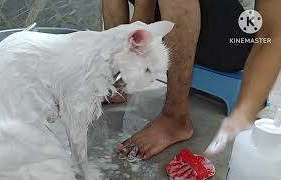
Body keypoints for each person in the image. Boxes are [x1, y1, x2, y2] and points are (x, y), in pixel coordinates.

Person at [102, 0, 281, 159]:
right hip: (176, 20)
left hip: (230, 42)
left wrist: (246, 109)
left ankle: (175, 118)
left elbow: (273, 33)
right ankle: (119, 80)